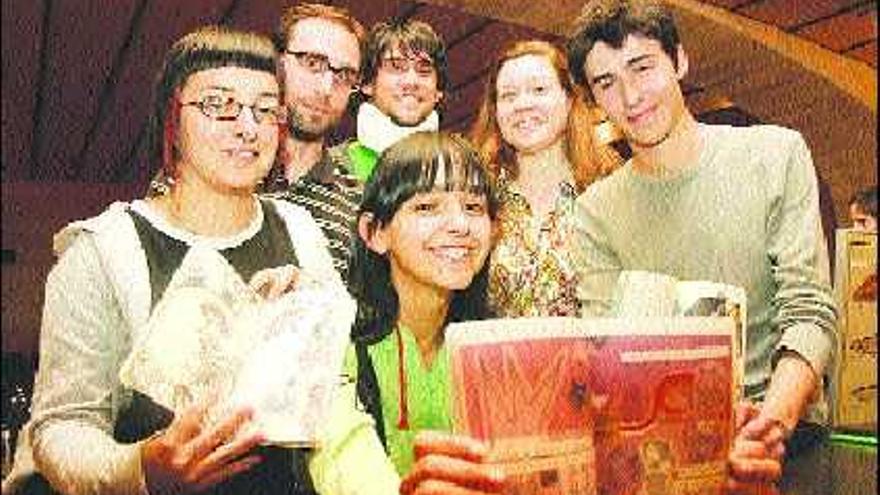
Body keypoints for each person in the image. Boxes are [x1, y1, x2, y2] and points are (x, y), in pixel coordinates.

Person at [3, 26, 398, 495]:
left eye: (265, 109)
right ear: (173, 118)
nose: (247, 126)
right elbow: (61, 427)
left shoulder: (300, 231)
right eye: (217, 104)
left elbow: (334, 404)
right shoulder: (103, 251)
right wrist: (142, 468)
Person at [566, 0, 836, 489]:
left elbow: (810, 313)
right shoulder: (593, 214)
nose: (630, 97)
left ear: (680, 62)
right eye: (606, 83)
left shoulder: (775, 155)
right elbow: (607, 361)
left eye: (642, 67)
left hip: (782, 436)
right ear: (593, 100)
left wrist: (766, 428)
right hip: (660, 452)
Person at [346, 131, 505, 490]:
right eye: (427, 207)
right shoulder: (341, 345)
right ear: (374, 232)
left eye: (474, 207)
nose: (460, 225)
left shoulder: (499, 350)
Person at [470, 39, 619, 317]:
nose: (522, 105)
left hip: (593, 359)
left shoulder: (610, 192)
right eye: (508, 96)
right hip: (497, 360)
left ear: (569, 98)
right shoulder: (476, 198)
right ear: (496, 111)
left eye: (539, 90)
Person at [262, 3, 366, 280]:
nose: (326, 89)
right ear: (277, 60)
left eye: (344, 75)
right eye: (312, 64)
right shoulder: (212, 168)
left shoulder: (360, 204)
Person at [331, 19, 447, 183]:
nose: (411, 81)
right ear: (367, 84)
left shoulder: (461, 173)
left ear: (438, 92)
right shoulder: (330, 167)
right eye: (396, 67)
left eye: (424, 71)